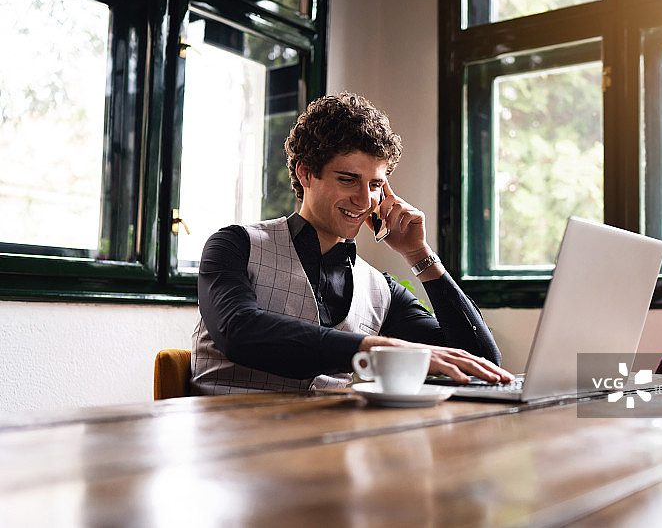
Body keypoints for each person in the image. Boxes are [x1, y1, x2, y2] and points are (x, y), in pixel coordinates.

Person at [190, 92, 513, 394]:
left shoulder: (380, 289)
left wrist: (418, 254)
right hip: (227, 429)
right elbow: (239, 333)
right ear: (305, 173)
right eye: (348, 179)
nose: (364, 200)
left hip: (331, 434)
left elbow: (480, 362)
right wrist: (374, 348)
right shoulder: (234, 245)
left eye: (375, 184)